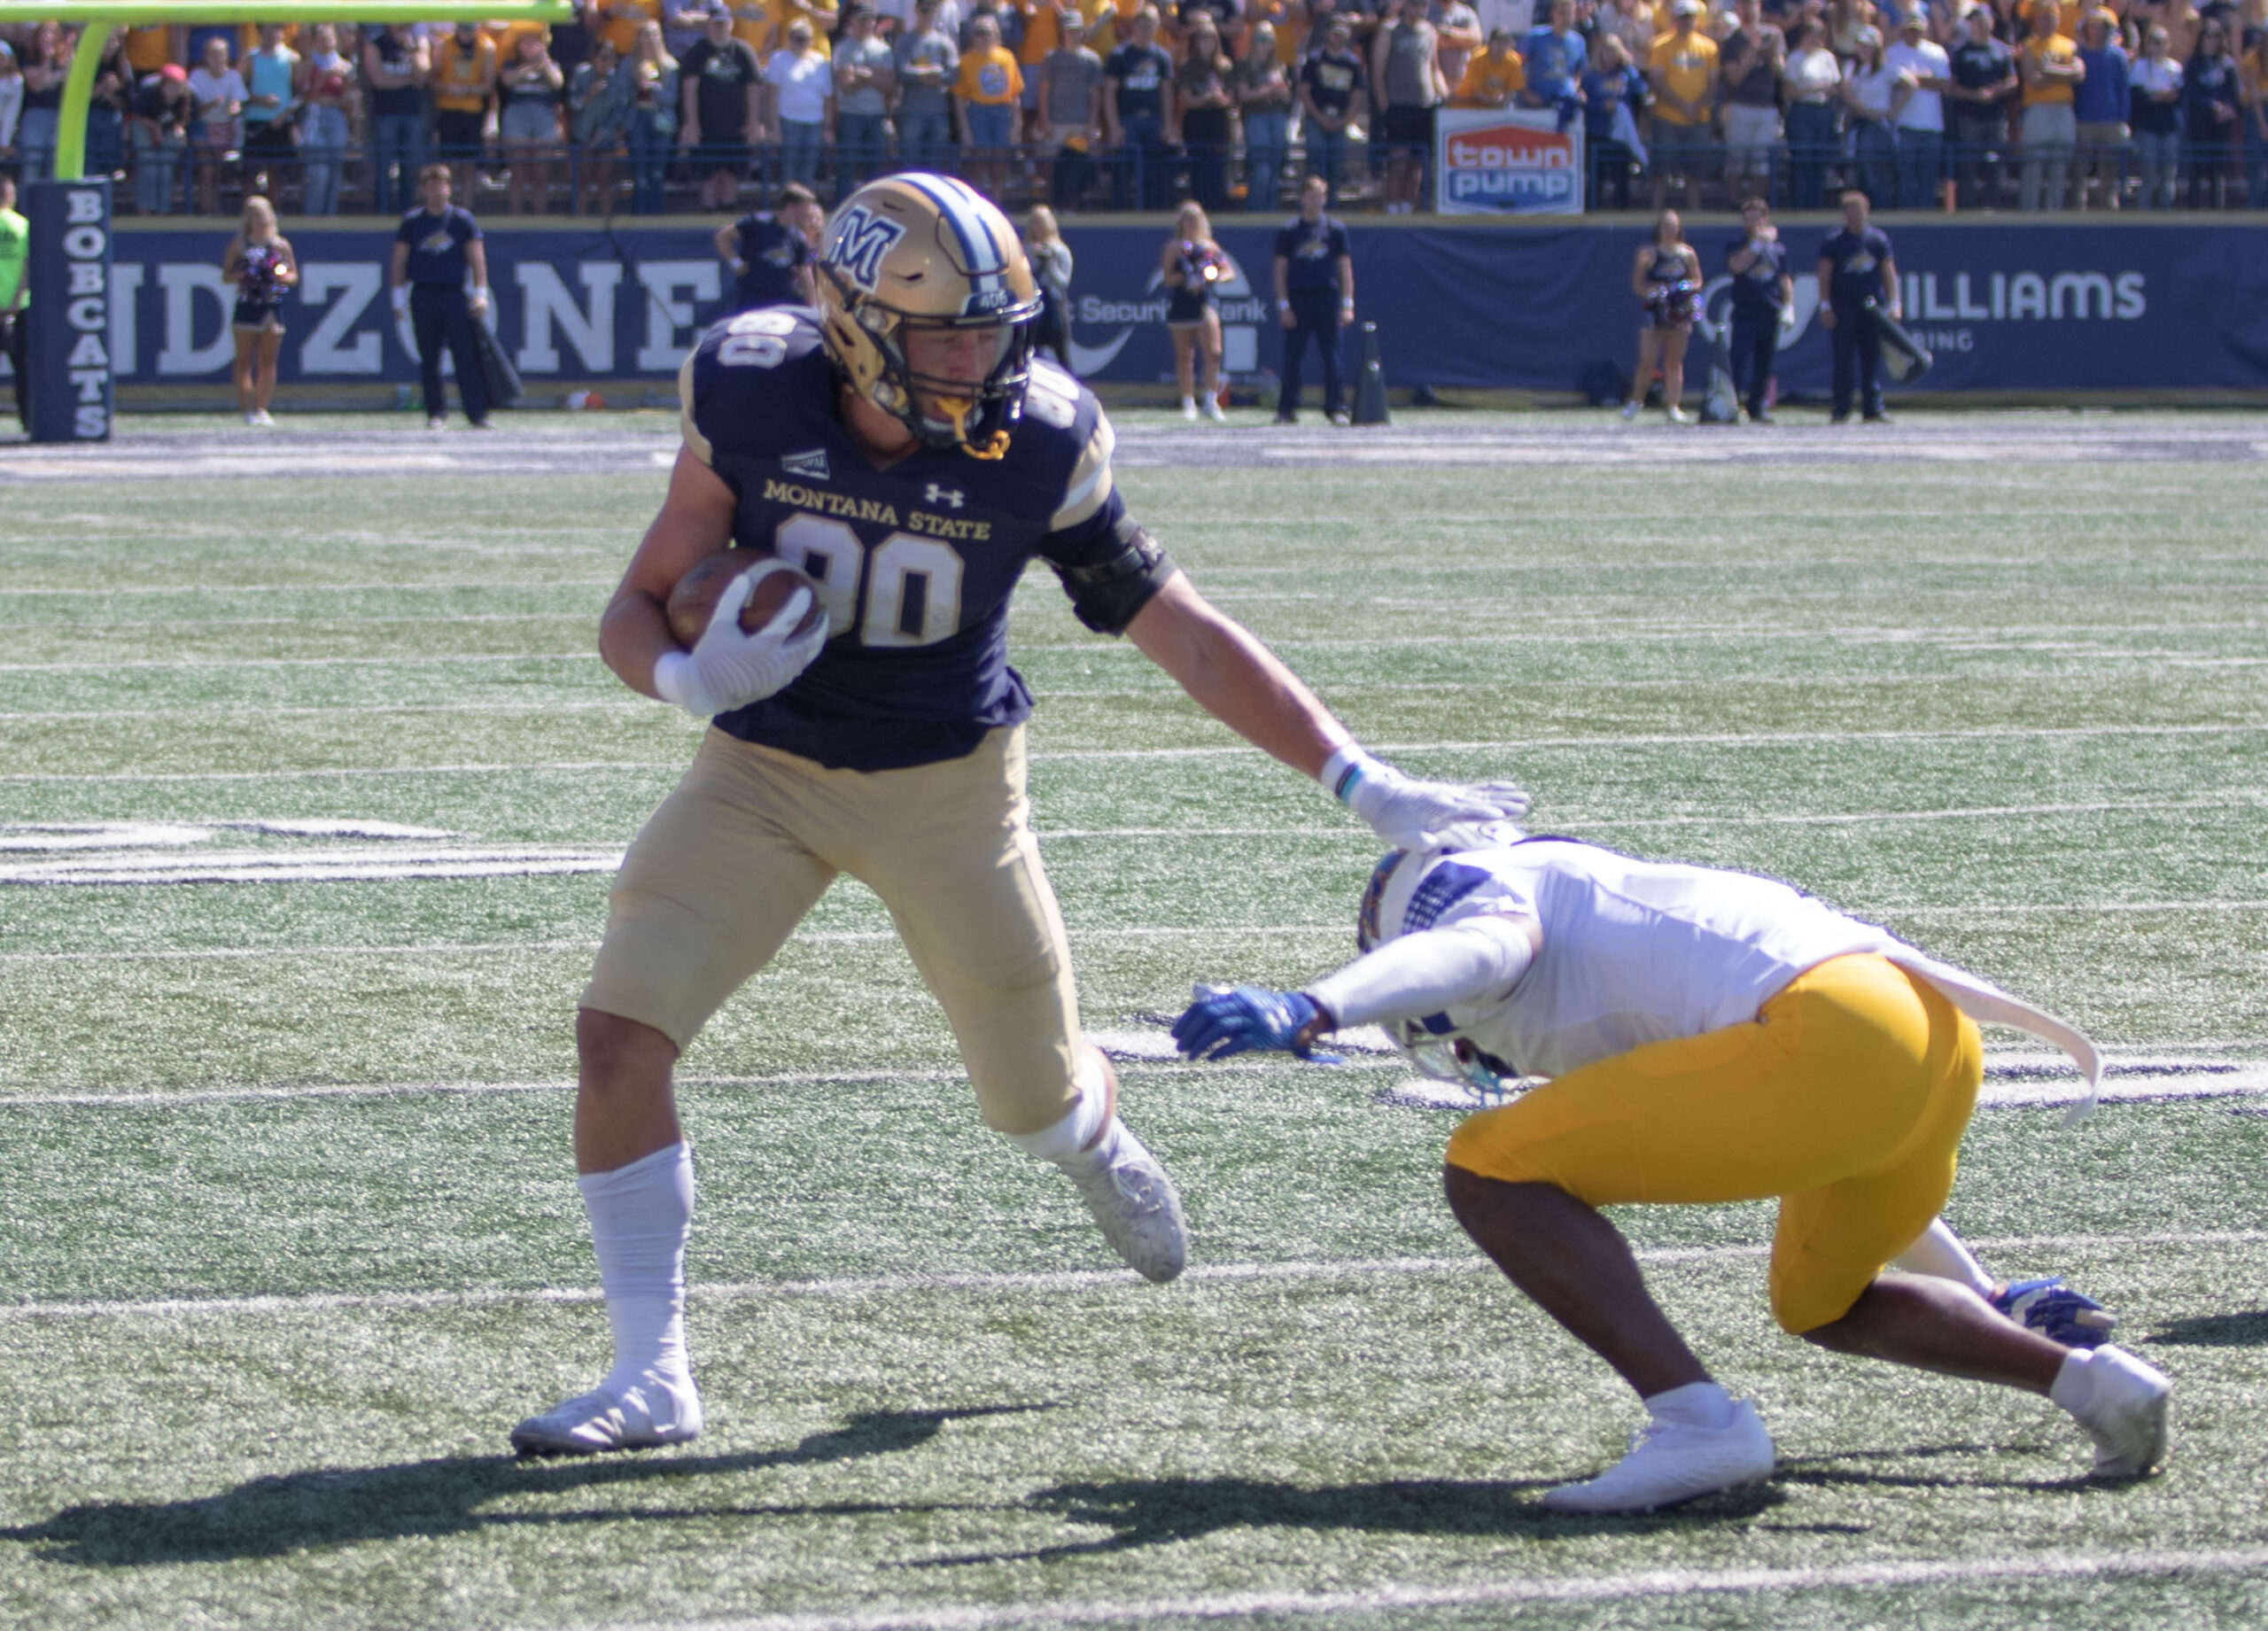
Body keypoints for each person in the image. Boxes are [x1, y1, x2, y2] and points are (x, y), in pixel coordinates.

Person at [504, 173, 1528, 1457]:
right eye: (948, 334)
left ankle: (1090, 1133)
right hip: (761, 771)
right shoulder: (753, 387)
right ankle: (651, 1371)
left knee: (1027, 1100)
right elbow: (637, 601)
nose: (983, 358)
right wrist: (683, 676)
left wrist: (1362, 780)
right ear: (858, 323)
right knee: (618, 1036)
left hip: (949, 787)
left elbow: (1184, 632)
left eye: (997, 329)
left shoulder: (1039, 437)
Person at [1168, 826, 2167, 1513]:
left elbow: (1476, 949)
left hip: (1832, 1032)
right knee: (1825, 1300)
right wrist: (1984, 1290)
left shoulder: (1489, 901)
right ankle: (2092, 1384)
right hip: (1927, 1036)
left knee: (1487, 1166)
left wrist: (1313, 1005)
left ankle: (1695, 1419)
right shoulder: (1614, 916)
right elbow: (1838, 1128)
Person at [390, 165, 493, 431]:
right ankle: (436, 411)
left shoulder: (461, 220)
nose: (436, 191)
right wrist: (397, 297)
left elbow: (476, 258)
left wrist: (481, 293)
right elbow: (399, 261)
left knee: (465, 355)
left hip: (453, 294)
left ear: (449, 188)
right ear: (423, 190)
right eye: (430, 186)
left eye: (441, 185)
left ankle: (476, 412)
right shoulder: (412, 222)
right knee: (429, 357)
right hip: (424, 293)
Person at [1272, 171, 1352, 425]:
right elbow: (1280, 269)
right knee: (1293, 356)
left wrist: (1347, 303)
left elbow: (1344, 268)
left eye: (1320, 196)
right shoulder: (1289, 231)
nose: (1316, 201)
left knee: (1333, 356)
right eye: (1311, 196)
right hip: (1298, 298)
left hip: (1327, 297)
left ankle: (1336, 407)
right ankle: (1287, 409)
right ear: (1302, 198)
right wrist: (1283, 304)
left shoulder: (1335, 230)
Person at [1819, 186, 1897, 424]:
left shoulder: (1877, 240)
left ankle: (1872, 407)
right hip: (1844, 307)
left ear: (1867, 211)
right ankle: (1841, 407)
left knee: (1871, 359)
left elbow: (1888, 272)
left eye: (1858, 210)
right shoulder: (1834, 242)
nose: (1854, 215)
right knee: (1843, 359)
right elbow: (1824, 275)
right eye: (1849, 211)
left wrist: (1894, 302)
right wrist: (1825, 305)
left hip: (1871, 309)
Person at [222, 195, 298, 427]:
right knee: (243, 360)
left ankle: (262, 407)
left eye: (264, 214)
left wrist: (279, 275)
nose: (260, 219)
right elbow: (226, 275)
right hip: (247, 305)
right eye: (254, 215)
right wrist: (245, 275)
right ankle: (246, 408)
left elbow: (293, 276)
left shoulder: (280, 245)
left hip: (271, 306)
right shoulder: (239, 245)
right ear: (247, 219)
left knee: (268, 361)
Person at [1621, 209, 1699, 425]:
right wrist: (1653, 292)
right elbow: (1638, 285)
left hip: (1679, 312)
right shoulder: (1648, 253)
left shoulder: (1686, 254)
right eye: (1665, 226)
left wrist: (1683, 289)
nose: (1669, 231)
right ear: (1659, 229)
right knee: (1647, 360)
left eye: (1673, 227)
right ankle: (1636, 401)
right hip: (1656, 311)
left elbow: (1697, 280)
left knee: (1674, 361)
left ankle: (1673, 404)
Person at [682, 4, 765, 210]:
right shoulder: (696, 52)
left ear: (731, 25)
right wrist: (692, 123)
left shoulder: (743, 51)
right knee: (708, 175)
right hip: (707, 126)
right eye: (715, 24)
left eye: (724, 24)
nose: (720, 28)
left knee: (731, 173)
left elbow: (753, 88)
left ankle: (727, 216)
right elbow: (689, 88)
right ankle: (707, 219)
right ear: (708, 25)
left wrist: (753, 122)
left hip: (736, 126)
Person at [1370, 0, 1445, 214]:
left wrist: (1444, 93)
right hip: (1398, 104)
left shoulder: (1429, 31)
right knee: (1399, 160)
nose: (1419, 10)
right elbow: (1377, 69)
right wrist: (1382, 100)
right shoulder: (1389, 30)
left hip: (1424, 104)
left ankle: (1408, 206)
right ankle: (1393, 205)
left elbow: (1434, 67)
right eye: (1415, 5)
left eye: (1423, 6)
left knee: (1417, 163)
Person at [1723, 196, 1790, 425]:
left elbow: (1783, 279)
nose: (1752, 224)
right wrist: (1757, 244)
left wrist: (1788, 305)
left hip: (1769, 311)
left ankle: (1757, 407)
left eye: (1756, 219)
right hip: (1745, 313)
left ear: (1765, 218)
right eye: (1748, 219)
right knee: (1738, 362)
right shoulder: (1736, 245)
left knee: (1764, 364)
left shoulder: (1778, 250)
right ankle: (1731, 406)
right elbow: (1738, 266)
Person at [1646, 1, 1717, 212]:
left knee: (1695, 171)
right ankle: (1656, 213)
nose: (1686, 21)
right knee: (1661, 170)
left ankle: (1695, 212)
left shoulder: (1709, 47)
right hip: (1666, 117)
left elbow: (1713, 81)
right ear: (1675, 19)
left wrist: (1695, 106)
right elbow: (1656, 80)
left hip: (1698, 117)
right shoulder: (1660, 45)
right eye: (1682, 17)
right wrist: (1681, 105)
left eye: (1690, 17)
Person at [1163, 200, 1230, 423]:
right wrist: (1187, 278)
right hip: (1183, 303)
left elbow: (1227, 270)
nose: (1191, 223)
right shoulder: (1175, 246)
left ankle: (1211, 400)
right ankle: (1188, 402)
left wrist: (1212, 276)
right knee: (1185, 355)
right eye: (1186, 218)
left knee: (1213, 351)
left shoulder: (1210, 245)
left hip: (1205, 302)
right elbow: (1168, 278)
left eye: (1195, 218)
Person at [1103, 6, 1176, 209]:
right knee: (1123, 168)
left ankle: (1154, 209)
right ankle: (1120, 211)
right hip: (1128, 119)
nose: (1146, 30)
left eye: (1150, 26)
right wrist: (1114, 125)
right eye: (1142, 26)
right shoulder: (1119, 56)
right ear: (1135, 26)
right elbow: (1109, 93)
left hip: (1153, 119)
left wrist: (1168, 125)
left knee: (1154, 168)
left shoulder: (1162, 57)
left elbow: (1167, 93)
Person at [1946, 4, 2016, 209]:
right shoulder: (1960, 51)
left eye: (1983, 21)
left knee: (1994, 164)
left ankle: (1992, 205)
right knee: (1968, 164)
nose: (1979, 25)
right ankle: (1967, 206)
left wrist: (1995, 92)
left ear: (1992, 23)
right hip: (1969, 116)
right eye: (1975, 22)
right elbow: (1951, 86)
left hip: (1995, 116)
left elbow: (2013, 80)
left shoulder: (2001, 50)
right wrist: (1974, 95)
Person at [714, 178, 821, 308]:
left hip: (782, 303)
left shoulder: (798, 237)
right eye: (804, 208)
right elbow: (723, 236)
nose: (807, 213)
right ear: (791, 206)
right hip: (752, 299)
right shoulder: (758, 222)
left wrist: (814, 306)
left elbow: (804, 274)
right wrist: (736, 263)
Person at [2017, 0, 2083, 210]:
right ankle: (2029, 215)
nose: (2048, 21)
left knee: (2059, 168)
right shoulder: (2029, 46)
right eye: (2044, 17)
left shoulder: (2069, 45)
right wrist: (2063, 74)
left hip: (2063, 110)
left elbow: (2079, 74)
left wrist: (2049, 69)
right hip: (2037, 111)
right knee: (2033, 168)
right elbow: (2033, 80)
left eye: (2052, 17)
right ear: (2036, 20)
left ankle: (2054, 214)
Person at [1037, 12, 1105, 210]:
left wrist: (1092, 122)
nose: (1074, 34)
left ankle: (1076, 204)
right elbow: (1044, 91)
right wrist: (1044, 120)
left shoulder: (1092, 59)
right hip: (1056, 122)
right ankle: (1050, 205)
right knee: (1050, 166)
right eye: (1070, 30)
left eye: (1077, 30)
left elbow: (1095, 94)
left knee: (1080, 166)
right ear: (1062, 32)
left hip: (1080, 122)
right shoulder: (1051, 58)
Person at [363, 23, 431, 218]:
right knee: (384, 164)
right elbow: (379, 80)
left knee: (410, 165)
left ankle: (408, 212)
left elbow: (423, 76)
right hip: (386, 114)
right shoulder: (375, 45)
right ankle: (382, 211)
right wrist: (409, 80)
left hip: (412, 114)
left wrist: (412, 52)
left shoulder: (419, 44)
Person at [1885, 12, 1950, 209]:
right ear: (1903, 30)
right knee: (1905, 181)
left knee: (1928, 181)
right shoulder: (1892, 52)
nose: (1914, 34)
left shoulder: (1937, 52)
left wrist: (1911, 78)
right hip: (1905, 125)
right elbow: (1894, 83)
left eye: (1918, 30)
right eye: (1910, 30)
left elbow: (1943, 84)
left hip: (1932, 126)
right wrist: (1925, 79)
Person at [956, 13, 1023, 198]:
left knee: (1000, 158)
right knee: (980, 156)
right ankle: (977, 199)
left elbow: (1015, 93)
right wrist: (965, 128)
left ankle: (997, 200)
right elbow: (960, 99)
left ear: (996, 34)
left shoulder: (1007, 57)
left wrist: (1017, 125)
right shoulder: (966, 61)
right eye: (979, 33)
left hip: (1003, 111)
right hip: (978, 110)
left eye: (987, 33)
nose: (983, 37)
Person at [500, 29, 568, 214]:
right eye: (527, 42)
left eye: (535, 42)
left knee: (541, 173)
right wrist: (529, 68)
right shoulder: (511, 64)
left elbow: (557, 83)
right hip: (518, 115)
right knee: (517, 173)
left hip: (544, 115)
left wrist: (544, 63)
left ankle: (540, 215)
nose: (531, 46)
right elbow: (508, 81)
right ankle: (516, 215)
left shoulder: (551, 65)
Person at [1177, 13, 1239, 214]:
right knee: (1198, 168)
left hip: (1218, 121)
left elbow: (1231, 99)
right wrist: (1206, 97)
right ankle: (1199, 208)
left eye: (1211, 38)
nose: (1207, 42)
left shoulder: (1225, 66)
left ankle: (1218, 206)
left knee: (1217, 167)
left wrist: (1220, 99)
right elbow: (1187, 99)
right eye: (1203, 38)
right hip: (1196, 121)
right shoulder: (1187, 67)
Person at [1297, 16, 1364, 198]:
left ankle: (1331, 201)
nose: (1338, 38)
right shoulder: (1314, 59)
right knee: (1315, 162)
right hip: (1316, 119)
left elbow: (1357, 96)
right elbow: (1304, 91)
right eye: (1335, 34)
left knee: (1335, 164)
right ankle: (1309, 201)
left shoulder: (1353, 63)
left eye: (1342, 35)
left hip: (1339, 121)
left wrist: (1345, 120)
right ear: (1327, 34)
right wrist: (1319, 117)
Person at [833, 4, 897, 193]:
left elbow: (890, 84)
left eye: (869, 20)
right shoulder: (843, 48)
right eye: (861, 20)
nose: (865, 24)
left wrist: (865, 76)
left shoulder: (883, 49)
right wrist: (876, 76)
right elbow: (846, 85)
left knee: (875, 166)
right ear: (852, 21)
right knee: (847, 166)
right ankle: (842, 204)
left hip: (877, 115)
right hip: (849, 114)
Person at [431, 21, 499, 199]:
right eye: (463, 28)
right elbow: (433, 79)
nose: (466, 33)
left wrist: (468, 90)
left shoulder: (487, 46)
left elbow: (488, 85)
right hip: (448, 109)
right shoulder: (444, 45)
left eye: (470, 28)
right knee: (448, 163)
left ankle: (468, 205)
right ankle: (445, 203)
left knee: (469, 163)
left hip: (473, 110)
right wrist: (448, 88)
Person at [294, 25, 356, 218]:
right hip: (314, 114)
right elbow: (305, 96)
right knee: (318, 170)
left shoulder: (345, 66)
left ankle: (330, 215)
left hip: (336, 115)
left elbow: (348, 101)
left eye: (329, 38)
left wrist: (345, 83)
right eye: (321, 39)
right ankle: (313, 215)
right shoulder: (306, 64)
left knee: (334, 168)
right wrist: (323, 77)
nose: (326, 42)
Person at [1782, 17, 1844, 209]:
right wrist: (1814, 88)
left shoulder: (1827, 57)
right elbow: (1789, 92)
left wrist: (1825, 89)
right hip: (1803, 112)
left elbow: (1834, 86)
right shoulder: (1795, 58)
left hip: (1823, 111)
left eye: (1819, 35)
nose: (1815, 39)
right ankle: (1799, 205)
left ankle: (1816, 204)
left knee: (1820, 161)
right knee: (1803, 160)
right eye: (1812, 35)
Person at [893, 0, 960, 174]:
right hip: (911, 111)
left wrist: (936, 76)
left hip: (938, 111)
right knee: (910, 163)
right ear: (916, 11)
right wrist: (927, 74)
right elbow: (901, 72)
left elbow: (953, 74)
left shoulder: (945, 43)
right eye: (924, 10)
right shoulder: (905, 40)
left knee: (935, 164)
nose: (928, 14)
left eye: (932, 10)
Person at [1578, 35, 1644, 212]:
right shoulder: (1591, 76)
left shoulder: (1627, 74)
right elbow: (1583, 104)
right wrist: (1601, 106)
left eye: (1614, 51)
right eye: (1606, 51)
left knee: (1621, 175)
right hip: (1597, 130)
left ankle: (1622, 211)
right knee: (1596, 176)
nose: (1610, 56)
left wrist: (1629, 67)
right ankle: (1593, 210)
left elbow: (1641, 90)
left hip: (1620, 133)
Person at [570, 39, 635, 214]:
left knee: (605, 180)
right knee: (582, 180)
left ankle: (606, 222)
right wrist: (590, 94)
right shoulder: (581, 74)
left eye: (611, 58)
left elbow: (620, 112)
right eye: (603, 58)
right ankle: (579, 219)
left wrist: (604, 133)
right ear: (594, 58)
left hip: (607, 136)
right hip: (582, 134)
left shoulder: (619, 82)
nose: (607, 63)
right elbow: (573, 104)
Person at [2071, 9, 2129, 207]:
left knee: (2109, 170)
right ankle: (2079, 207)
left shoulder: (2117, 56)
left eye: (2101, 27)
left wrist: (2123, 118)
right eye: (2093, 27)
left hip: (2111, 120)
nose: (2096, 31)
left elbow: (2123, 89)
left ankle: (2110, 210)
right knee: (2080, 168)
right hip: (2084, 119)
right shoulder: (2079, 54)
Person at [765, 19, 831, 192]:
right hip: (788, 121)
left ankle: (805, 210)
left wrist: (827, 127)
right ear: (789, 39)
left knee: (809, 170)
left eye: (805, 38)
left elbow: (828, 97)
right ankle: (787, 210)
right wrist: (774, 128)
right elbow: (772, 96)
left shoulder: (821, 62)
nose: (801, 43)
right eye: (797, 38)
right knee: (789, 169)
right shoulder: (778, 59)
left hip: (815, 122)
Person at [1234, 19, 1293, 212]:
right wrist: (1268, 90)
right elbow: (1243, 95)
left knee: (1275, 168)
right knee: (1261, 169)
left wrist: (1282, 92)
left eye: (1268, 39)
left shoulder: (1279, 66)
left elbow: (1286, 97)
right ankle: (1256, 212)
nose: (1264, 43)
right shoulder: (1244, 64)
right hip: (1256, 117)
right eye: (1260, 38)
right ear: (1253, 40)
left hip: (1277, 115)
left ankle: (1271, 211)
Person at [2181, 19, 2241, 206]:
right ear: (2202, 38)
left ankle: (2217, 211)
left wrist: (2228, 108)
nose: (2212, 41)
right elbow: (2191, 93)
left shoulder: (2227, 65)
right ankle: (2194, 210)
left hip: (2220, 124)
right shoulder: (2193, 64)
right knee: (2197, 168)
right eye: (2209, 36)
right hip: (2199, 123)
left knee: (2218, 169)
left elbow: (2234, 92)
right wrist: (2213, 106)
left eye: (2216, 37)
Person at [187, 35, 248, 217]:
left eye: (221, 54)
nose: (217, 59)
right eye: (213, 54)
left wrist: (234, 107)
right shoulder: (196, 77)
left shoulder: (233, 76)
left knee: (219, 171)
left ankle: (216, 210)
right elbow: (193, 109)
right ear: (206, 56)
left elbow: (238, 101)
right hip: (203, 128)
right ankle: (206, 210)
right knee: (207, 170)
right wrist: (212, 105)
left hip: (225, 127)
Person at [1841, 25, 1899, 207]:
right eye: (1860, 45)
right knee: (1859, 173)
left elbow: (1910, 84)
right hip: (1858, 122)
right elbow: (1846, 91)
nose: (1863, 49)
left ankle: (1881, 211)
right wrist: (1863, 109)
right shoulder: (1852, 66)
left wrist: (1893, 109)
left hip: (1876, 125)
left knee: (1875, 172)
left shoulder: (1886, 67)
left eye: (1867, 45)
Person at [129, 61, 193, 216]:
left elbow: (183, 120)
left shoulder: (185, 98)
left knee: (165, 169)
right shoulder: (148, 94)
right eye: (171, 85)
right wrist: (155, 128)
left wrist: (179, 129)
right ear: (162, 83)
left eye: (178, 85)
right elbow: (138, 116)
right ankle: (143, 211)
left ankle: (162, 211)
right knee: (149, 167)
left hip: (167, 131)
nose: (175, 89)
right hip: (144, 127)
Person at [2129, 25, 2182, 208]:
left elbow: (2180, 96)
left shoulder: (2175, 68)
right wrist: (2157, 97)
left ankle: (2166, 212)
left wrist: (2167, 97)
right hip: (2148, 126)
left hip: (2169, 126)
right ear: (2148, 45)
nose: (2158, 47)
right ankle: (2144, 214)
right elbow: (2136, 96)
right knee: (2148, 173)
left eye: (2162, 43)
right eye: (2154, 42)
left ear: (2168, 45)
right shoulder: (2139, 67)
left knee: (2169, 173)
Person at [1023, 202, 1075, 371]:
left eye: (1040, 222)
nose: (1036, 227)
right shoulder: (1027, 249)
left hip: (1054, 309)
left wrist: (1051, 263)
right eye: (1033, 222)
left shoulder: (1060, 251)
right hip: (1035, 307)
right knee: (1032, 354)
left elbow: (1063, 283)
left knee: (1062, 355)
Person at [1519, 0, 1586, 125]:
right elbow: (1517, 65)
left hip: (1565, 102)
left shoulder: (1578, 41)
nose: (1566, 18)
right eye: (1562, 13)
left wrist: (1576, 88)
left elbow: (1579, 71)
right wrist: (1526, 93)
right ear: (1553, 13)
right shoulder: (1535, 37)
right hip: (1537, 102)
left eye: (1569, 14)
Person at [0, 175, 25, 434]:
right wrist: (16, 301)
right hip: (17, 310)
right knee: (24, 370)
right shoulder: (22, 226)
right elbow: (28, 268)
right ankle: (28, 419)